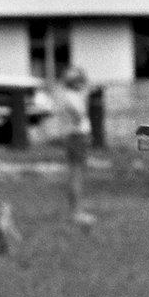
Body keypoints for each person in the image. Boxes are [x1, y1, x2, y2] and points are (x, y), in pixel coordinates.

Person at [52, 66, 95, 227]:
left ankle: (76, 209)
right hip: (77, 136)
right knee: (76, 174)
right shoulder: (72, 97)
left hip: (72, 136)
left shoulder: (67, 95)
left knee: (75, 173)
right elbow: (78, 116)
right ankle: (77, 212)